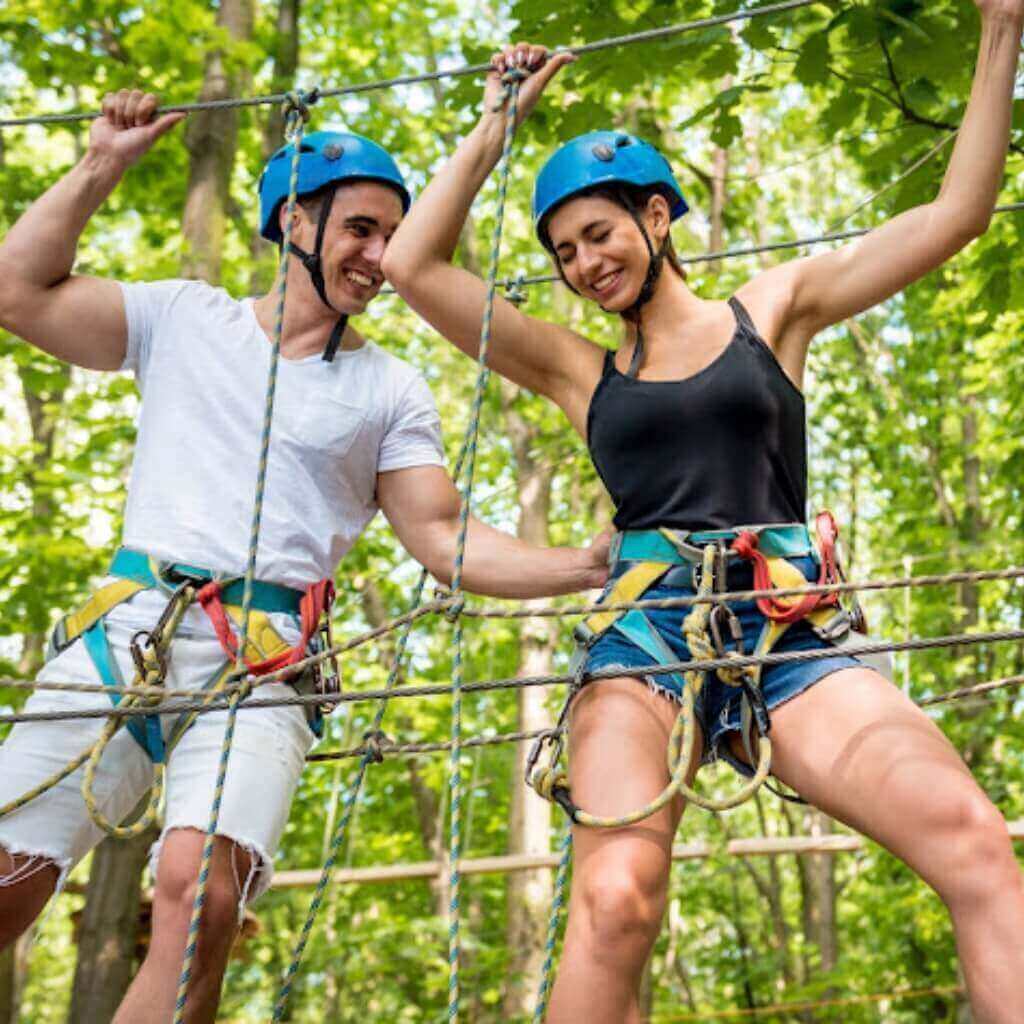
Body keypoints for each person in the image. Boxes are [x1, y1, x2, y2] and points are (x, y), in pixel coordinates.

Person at [381, 6, 1024, 1021]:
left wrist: (1001, 28)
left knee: (974, 841)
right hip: (642, 641)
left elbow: (956, 214)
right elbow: (412, 268)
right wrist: (496, 122)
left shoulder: (772, 311)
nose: (584, 265)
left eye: (598, 233)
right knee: (614, 903)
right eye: (562, 254)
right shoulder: (576, 369)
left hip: (786, 633)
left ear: (657, 216)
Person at [0, 90, 609, 1023]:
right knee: (7, 878)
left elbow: (441, 538)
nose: (379, 256)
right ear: (293, 219)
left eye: (392, 235)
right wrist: (100, 165)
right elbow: (17, 292)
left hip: (266, 662)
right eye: (360, 229)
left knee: (199, 901)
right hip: (126, 633)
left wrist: (584, 563)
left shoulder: (388, 386)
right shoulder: (182, 318)